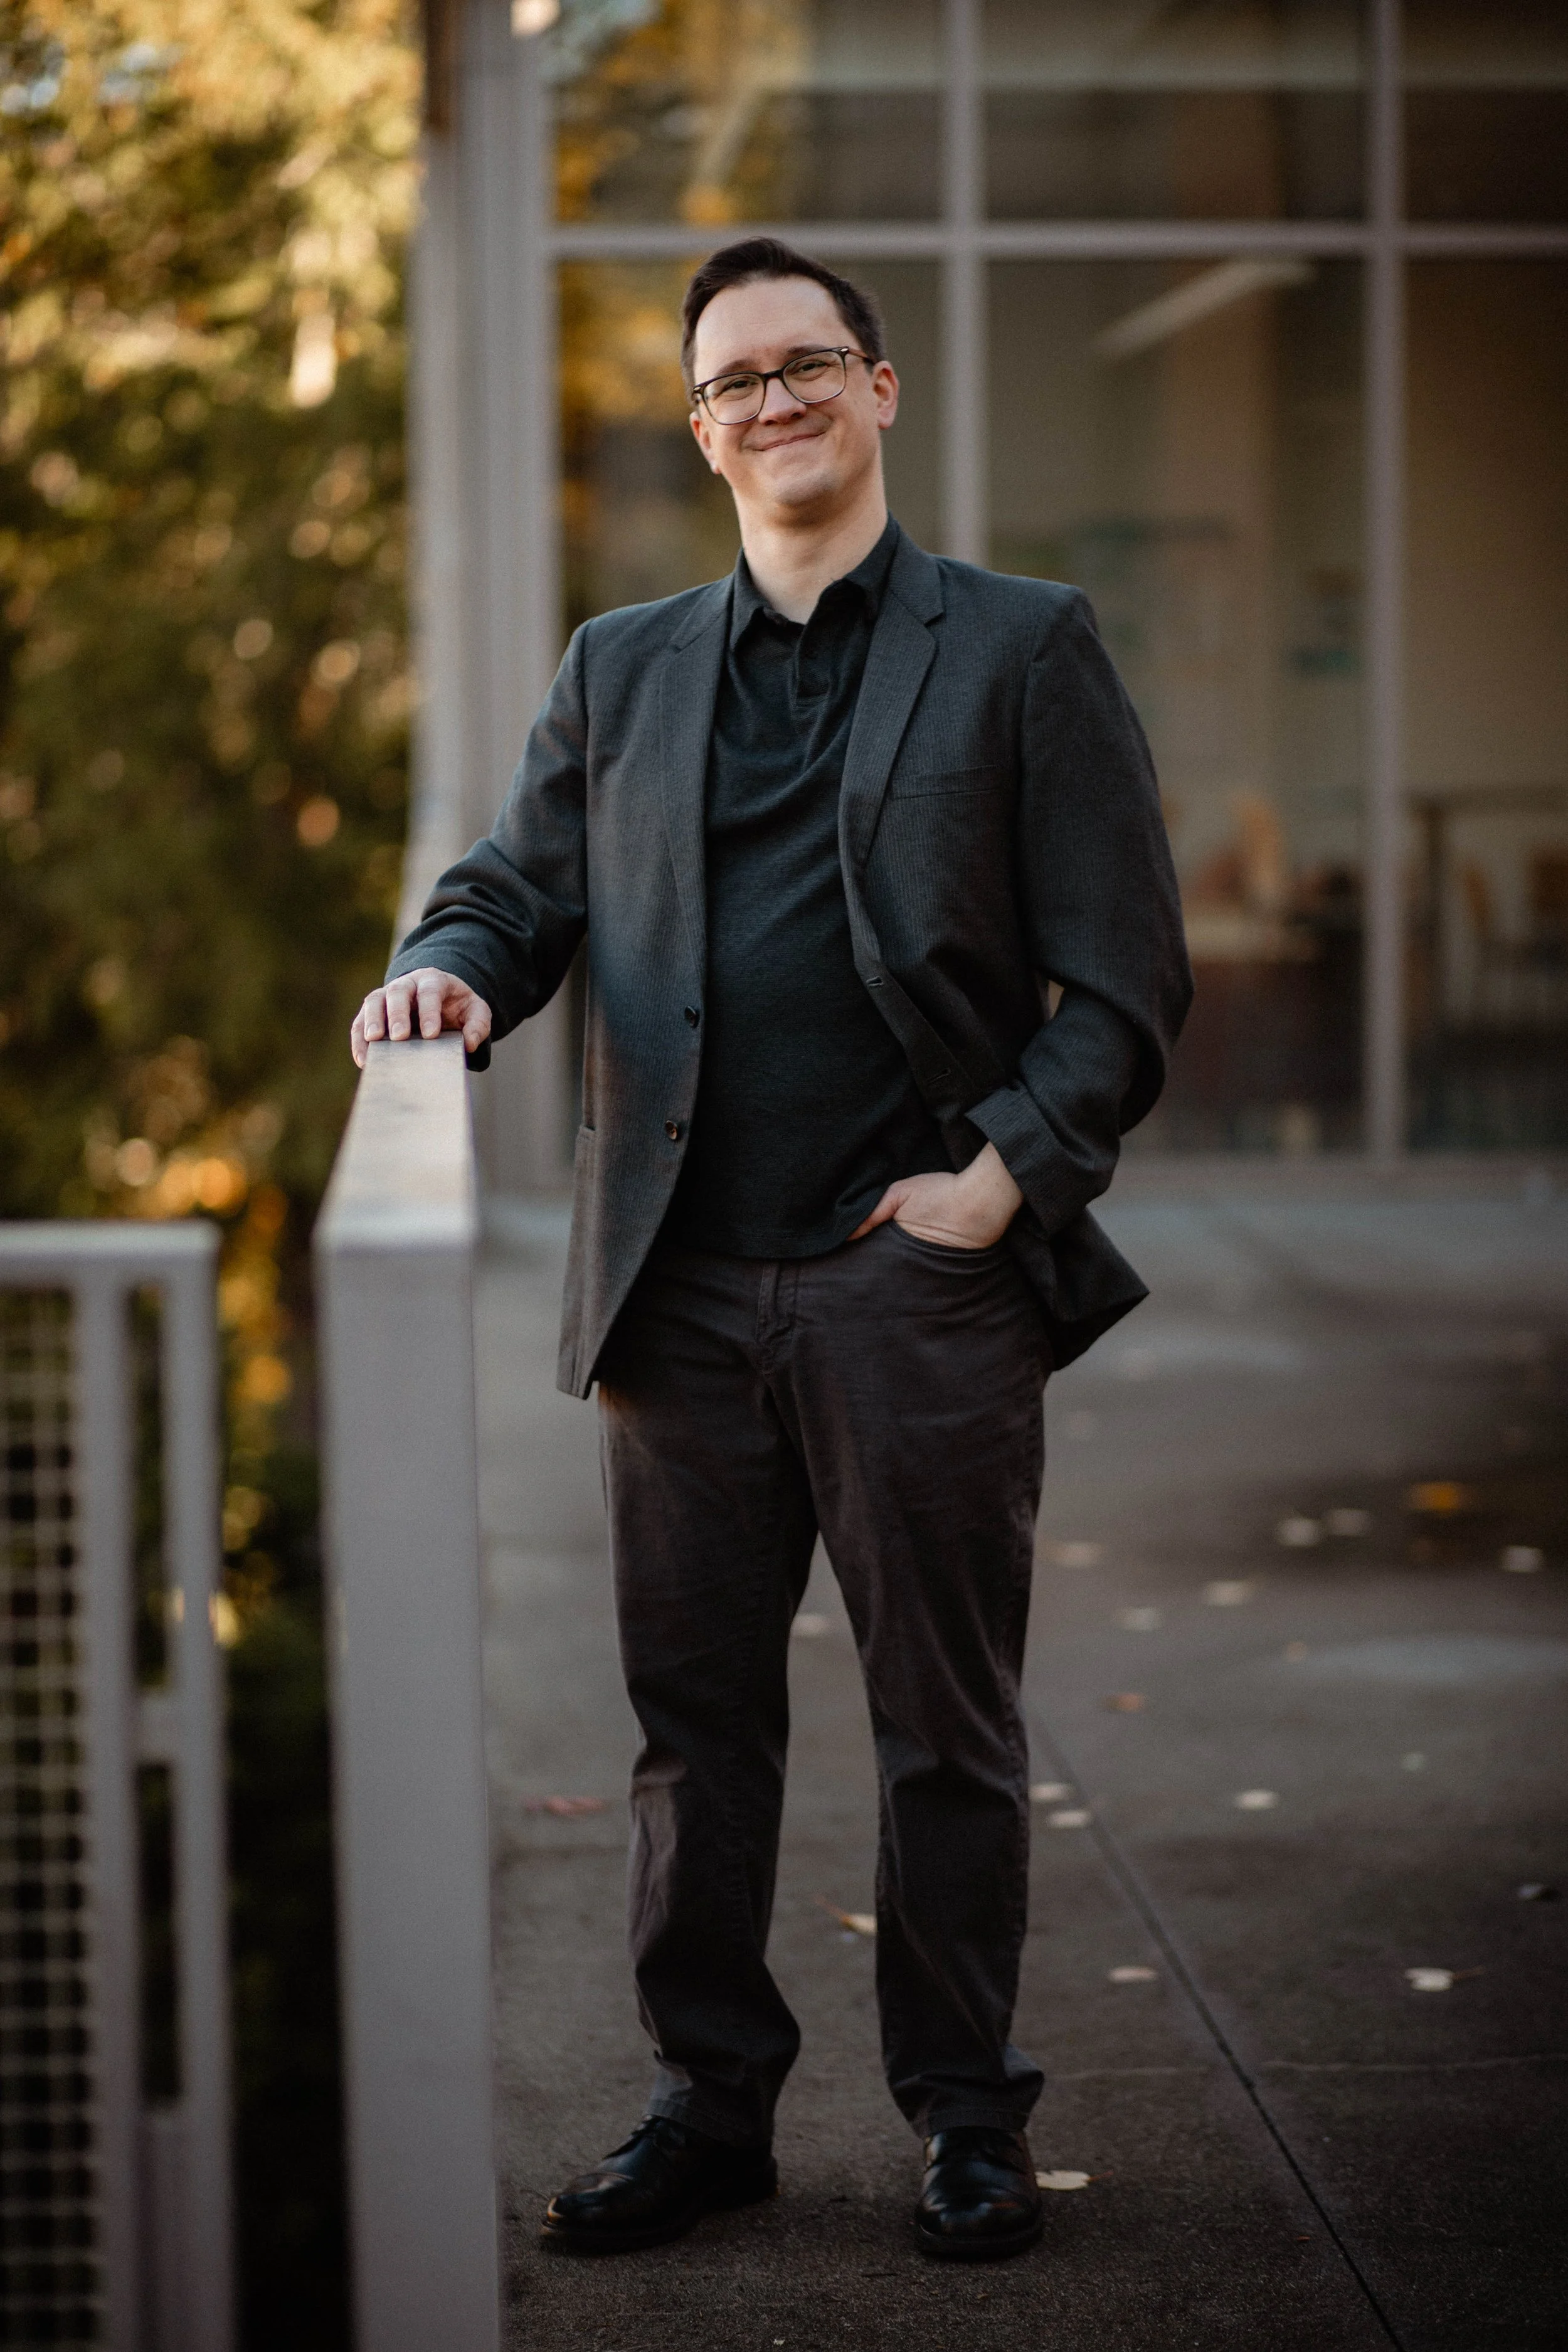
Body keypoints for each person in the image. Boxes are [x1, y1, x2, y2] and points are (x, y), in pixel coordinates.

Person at [352, 236, 1191, 2262]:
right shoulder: (618, 668)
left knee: (946, 1727)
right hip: (680, 1292)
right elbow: (506, 894)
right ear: (702, 424)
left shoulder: (1020, 648)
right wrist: (445, 977)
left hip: (917, 1279)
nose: (771, 400)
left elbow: (1124, 979)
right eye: (732, 380)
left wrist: (1001, 1172)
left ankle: (967, 2116)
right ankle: (708, 2103)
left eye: (807, 363)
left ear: (880, 391)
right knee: (693, 1734)